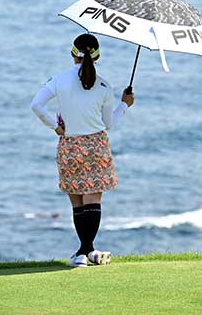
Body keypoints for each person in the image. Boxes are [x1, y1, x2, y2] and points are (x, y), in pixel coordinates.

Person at [30, 33, 135, 267]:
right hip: (96, 145)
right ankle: (86, 250)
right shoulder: (105, 85)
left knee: (78, 201)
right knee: (92, 198)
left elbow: (36, 105)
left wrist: (55, 126)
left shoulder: (58, 79)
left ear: (72, 53)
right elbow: (109, 123)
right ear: (98, 56)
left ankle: (83, 253)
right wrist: (124, 105)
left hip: (69, 144)